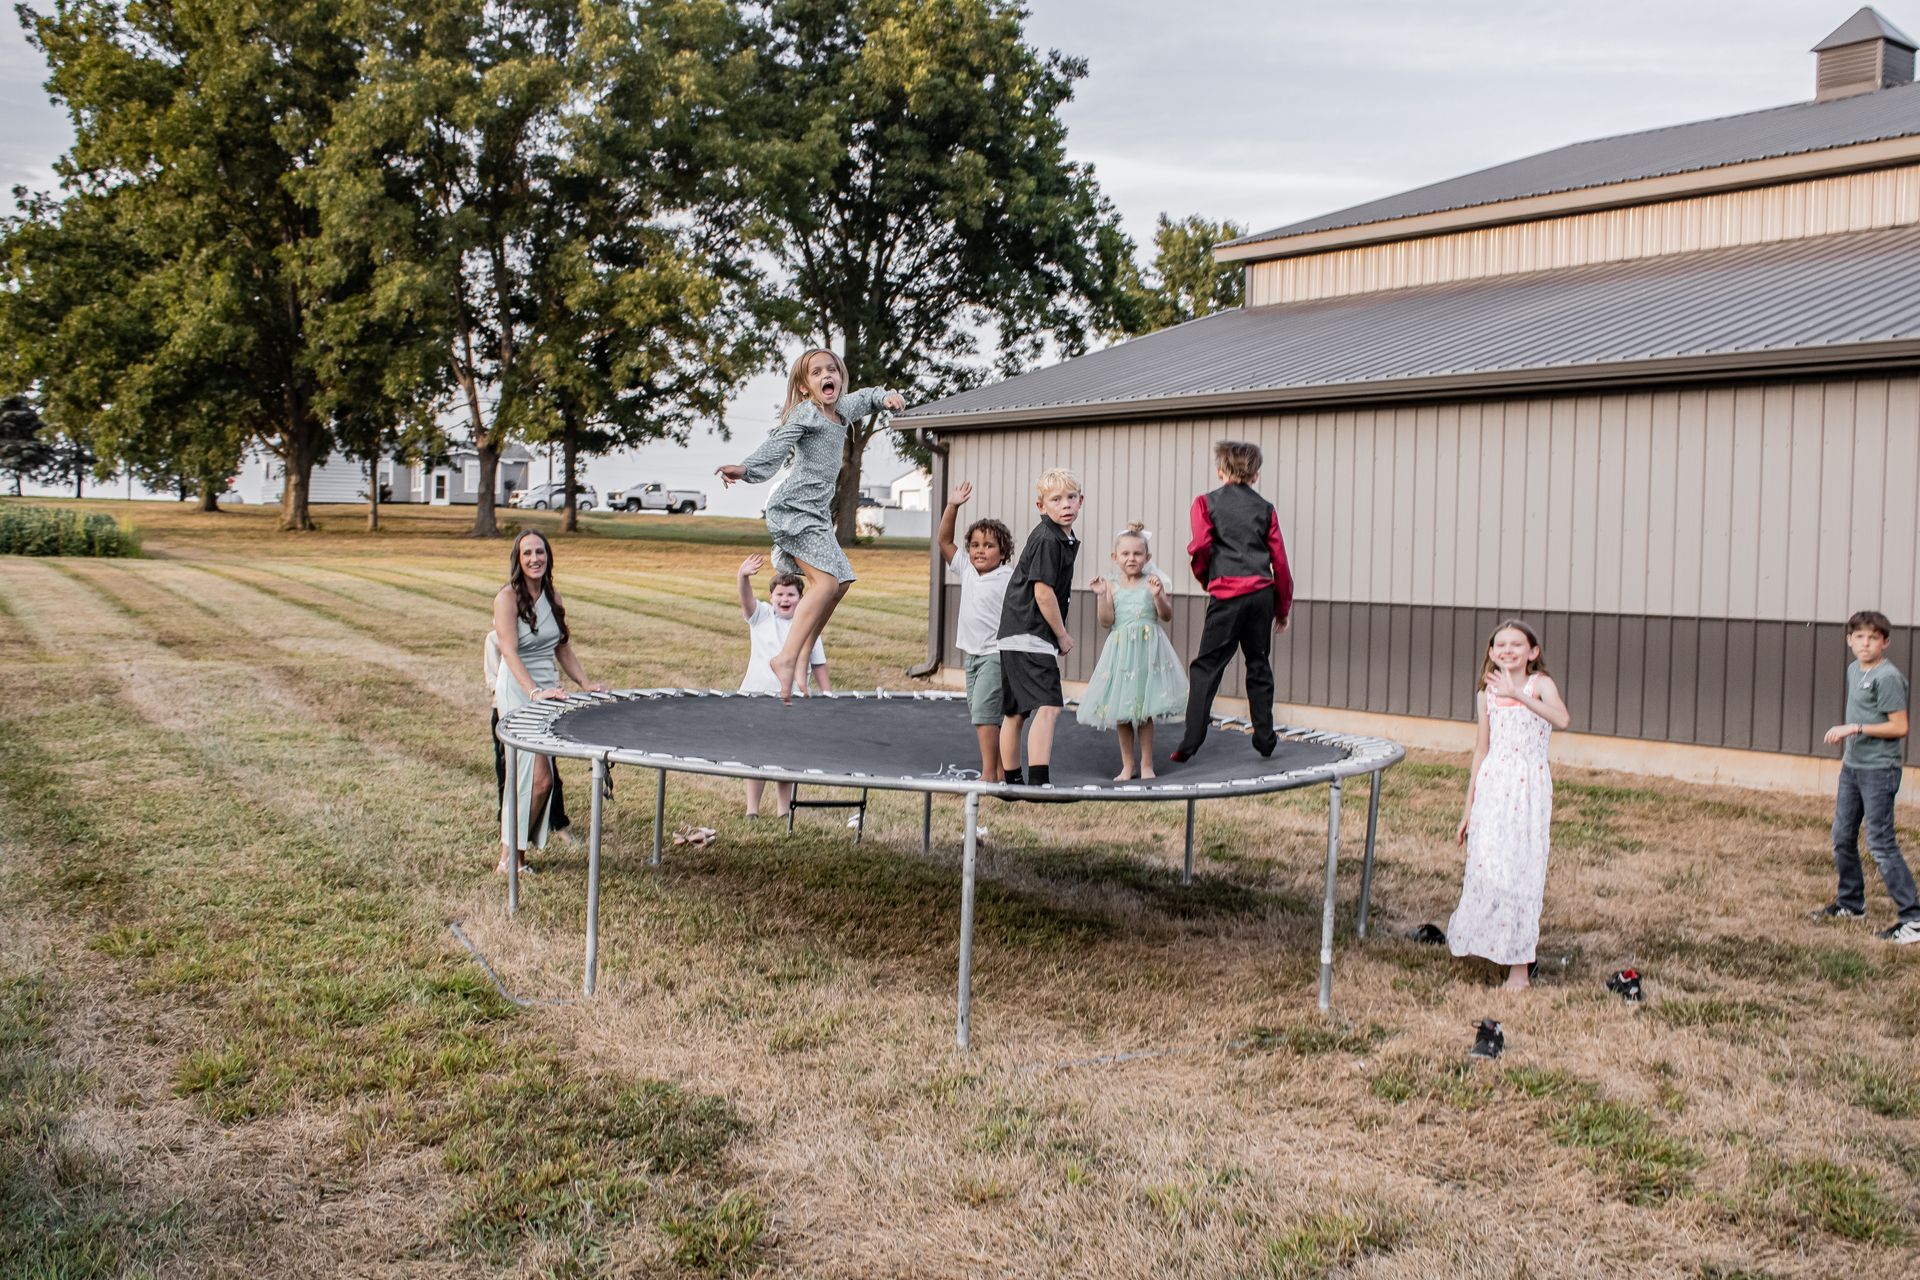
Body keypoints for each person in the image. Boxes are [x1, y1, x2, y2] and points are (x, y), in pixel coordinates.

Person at [716, 349, 906, 703]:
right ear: (805, 388)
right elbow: (778, 445)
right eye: (816, 372)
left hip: (816, 515)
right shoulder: (807, 413)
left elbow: (866, 398)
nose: (826, 375)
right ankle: (785, 659)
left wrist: (887, 397)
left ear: (840, 377)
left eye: (831, 369)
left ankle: (801, 654)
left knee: (841, 582)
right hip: (793, 509)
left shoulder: (842, 411)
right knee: (825, 583)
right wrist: (745, 469)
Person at [1449, 620, 1572, 991]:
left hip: (1527, 789)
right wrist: (1468, 807)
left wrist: (1518, 694)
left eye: (1516, 644)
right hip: (1493, 786)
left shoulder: (1540, 686)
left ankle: (1520, 967)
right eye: (1500, 644)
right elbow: (1481, 749)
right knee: (1490, 865)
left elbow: (1562, 719)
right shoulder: (1485, 694)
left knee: (1522, 871)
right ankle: (1492, 943)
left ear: (1532, 652)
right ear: (1490, 652)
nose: (1507, 650)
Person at [1170, 440, 1293, 763]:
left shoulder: (1205, 503)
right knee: (1258, 663)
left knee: (1207, 665)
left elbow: (1200, 547)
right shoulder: (1266, 509)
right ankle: (1265, 738)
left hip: (1226, 593)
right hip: (1261, 594)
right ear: (1255, 475)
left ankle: (1191, 739)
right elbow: (1279, 562)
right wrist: (1281, 608)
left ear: (1220, 471)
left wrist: (1206, 578)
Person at [493, 530, 607, 874]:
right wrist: (532, 691)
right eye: (526, 553)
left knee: (538, 780)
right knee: (535, 778)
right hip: (519, 691)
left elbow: (562, 647)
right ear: (518, 559)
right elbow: (509, 651)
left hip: (549, 692)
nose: (534, 558)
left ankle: (516, 857)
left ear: (548, 556)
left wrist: (585, 683)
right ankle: (509, 858)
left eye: (539, 551)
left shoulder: (553, 595)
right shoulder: (507, 598)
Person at [1813, 610, 1919, 943]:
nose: (1865, 643)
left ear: (1884, 642)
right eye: (1859, 636)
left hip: (1879, 771)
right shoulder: (1853, 669)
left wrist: (1855, 728)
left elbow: (1900, 727)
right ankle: (1850, 904)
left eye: (1873, 637)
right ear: (1849, 640)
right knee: (1842, 835)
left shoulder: (1887, 677)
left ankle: (1913, 919)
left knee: (1880, 843)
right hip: (1853, 768)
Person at [1077, 523, 1187, 780]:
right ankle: (1128, 765)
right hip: (1121, 655)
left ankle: (1147, 764)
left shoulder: (1152, 582)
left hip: (1147, 655)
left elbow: (1166, 616)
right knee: (1123, 713)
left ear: (1147, 557)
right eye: (1125, 554)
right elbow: (1106, 621)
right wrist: (1102, 595)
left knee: (1144, 712)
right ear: (1115, 558)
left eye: (1137, 554)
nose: (1131, 559)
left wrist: (1158, 595)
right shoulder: (1111, 586)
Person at [995, 467, 1083, 788]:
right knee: (1048, 706)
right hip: (1030, 633)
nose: (1065, 505)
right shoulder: (1049, 538)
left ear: (1081, 500)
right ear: (1041, 506)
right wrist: (1060, 634)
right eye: (1056, 499)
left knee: (1016, 711)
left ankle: (1012, 780)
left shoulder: (1061, 537)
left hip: (1015, 633)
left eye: (1071, 498)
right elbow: (1042, 592)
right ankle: (1039, 782)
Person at [736, 553, 831, 818]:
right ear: (771, 597)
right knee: (757, 754)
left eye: (791, 595)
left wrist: (827, 695)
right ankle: (752, 809)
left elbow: (819, 664)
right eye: (780, 595)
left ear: (802, 600)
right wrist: (742, 576)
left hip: (792, 701)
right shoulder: (762, 616)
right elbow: (746, 601)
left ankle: (783, 810)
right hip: (757, 696)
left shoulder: (808, 626)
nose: (785, 600)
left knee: (785, 756)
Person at [938, 482, 1015, 783]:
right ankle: (997, 771)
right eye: (975, 545)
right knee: (984, 717)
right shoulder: (967, 570)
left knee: (984, 716)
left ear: (1003, 551)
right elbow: (944, 541)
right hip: (972, 655)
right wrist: (952, 506)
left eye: (989, 545)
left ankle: (988, 774)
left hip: (996, 654)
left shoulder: (1008, 576)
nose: (980, 551)